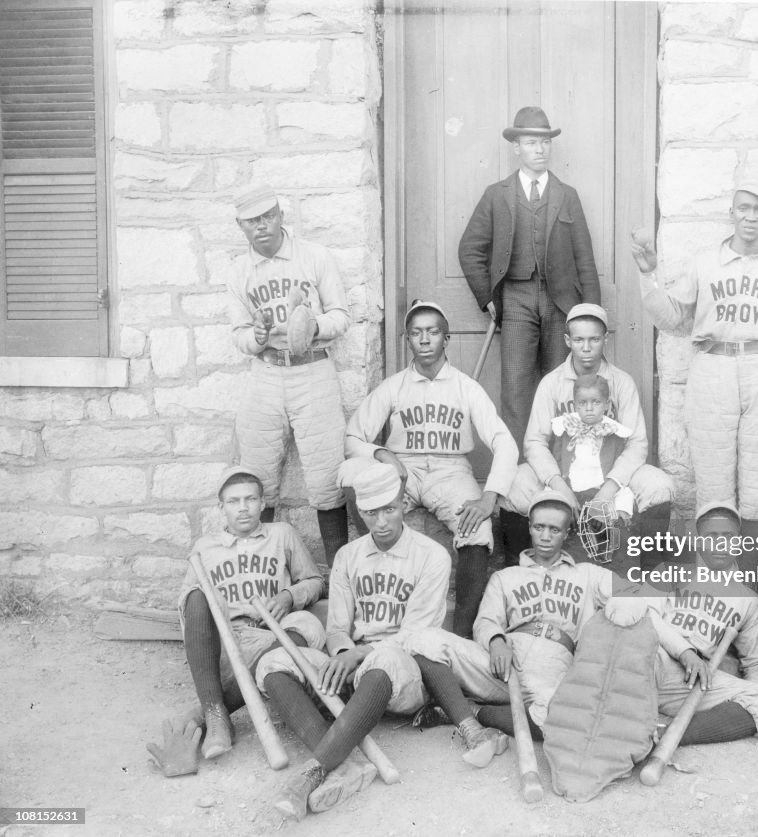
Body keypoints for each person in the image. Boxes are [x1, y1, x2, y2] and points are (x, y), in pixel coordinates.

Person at [258, 461, 451, 819]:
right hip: (354, 670)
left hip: (403, 675)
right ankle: (346, 765)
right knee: (274, 663)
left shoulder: (432, 556)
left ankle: (311, 773)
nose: (381, 522)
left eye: (390, 509)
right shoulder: (348, 556)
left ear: (404, 504)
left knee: (386, 659)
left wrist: (360, 655)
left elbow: (414, 636)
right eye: (371, 512)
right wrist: (344, 654)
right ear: (360, 510)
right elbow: (336, 629)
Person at [631, 182, 758, 557]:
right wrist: (648, 276)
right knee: (713, 481)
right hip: (713, 368)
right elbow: (674, 318)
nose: (751, 217)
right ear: (731, 212)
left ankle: (752, 578)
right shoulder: (705, 261)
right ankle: (715, 577)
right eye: (744, 208)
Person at [345, 300, 518, 637]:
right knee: (355, 478)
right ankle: (377, 610)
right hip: (402, 466)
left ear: (446, 339)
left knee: (478, 529)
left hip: (450, 469)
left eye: (433, 332)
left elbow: (505, 442)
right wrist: (382, 454)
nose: (424, 340)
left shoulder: (466, 387)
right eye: (416, 333)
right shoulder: (393, 386)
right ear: (408, 340)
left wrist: (488, 498)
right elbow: (353, 437)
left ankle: (464, 633)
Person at [406, 489, 615, 758]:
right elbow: (485, 621)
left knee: (564, 721)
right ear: (529, 528)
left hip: (552, 667)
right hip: (501, 664)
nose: (546, 536)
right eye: (539, 527)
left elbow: (639, 595)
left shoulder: (588, 575)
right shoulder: (506, 577)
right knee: (424, 640)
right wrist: (495, 640)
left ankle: (473, 711)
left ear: (567, 533)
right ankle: (469, 725)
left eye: (554, 529)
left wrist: (682, 646)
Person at [149, 466, 325, 777]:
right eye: (233, 501)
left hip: (272, 638)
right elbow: (187, 608)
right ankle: (215, 713)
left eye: (250, 499)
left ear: (262, 503)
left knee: (309, 624)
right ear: (221, 507)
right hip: (225, 643)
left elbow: (314, 581)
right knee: (197, 595)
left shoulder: (281, 534)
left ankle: (211, 714)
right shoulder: (205, 546)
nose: (242, 508)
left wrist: (288, 596)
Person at [459, 106, 600, 451]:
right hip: (516, 300)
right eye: (531, 142)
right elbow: (469, 249)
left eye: (545, 142)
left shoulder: (567, 195)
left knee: (561, 389)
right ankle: (518, 478)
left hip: (560, 302)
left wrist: (592, 316)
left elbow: (585, 259)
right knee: (517, 389)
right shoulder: (497, 195)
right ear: (516, 148)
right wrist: (488, 298)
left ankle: (559, 474)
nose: (539, 149)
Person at [226, 183, 351, 571]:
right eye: (252, 222)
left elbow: (341, 316)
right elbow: (239, 334)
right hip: (266, 372)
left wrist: (312, 325)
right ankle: (261, 571)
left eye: (268, 217)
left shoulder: (314, 257)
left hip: (312, 369)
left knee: (327, 478)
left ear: (281, 216)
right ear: (240, 226)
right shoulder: (239, 271)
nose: (261, 227)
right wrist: (256, 336)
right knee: (258, 476)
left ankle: (337, 574)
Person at [500, 303, 674, 566]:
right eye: (579, 339)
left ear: (605, 339)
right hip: (563, 474)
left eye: (594, 339)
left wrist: (609, 488)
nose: (586, 347)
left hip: (611, 474)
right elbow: (535, 442)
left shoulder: (621, 382)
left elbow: (637, 443)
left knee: (659, 485)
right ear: (567, 340)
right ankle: (519, 568)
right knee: (513, 484)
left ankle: (651, 569)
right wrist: (558, 485)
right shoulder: (553, 382)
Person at [641, 503, 758, 743]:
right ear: (697, 539)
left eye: (728, 536)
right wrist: (685, 652)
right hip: (654, 657)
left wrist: (750, 695)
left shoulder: (747, 600)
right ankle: (629, 724)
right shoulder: (669, 571)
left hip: (693, 680)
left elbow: (756, 663)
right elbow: (643, 614)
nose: (720, 544)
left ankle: (667, 736)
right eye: (711, 536)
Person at [550, 373, 635, 517]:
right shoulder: (567, 427)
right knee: (550, 498)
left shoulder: (613, 431)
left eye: (596, 402)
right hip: (571, 484)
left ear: (606, 404)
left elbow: (618, 464)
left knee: (624, 496)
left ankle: (613, 526)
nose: (589, 408)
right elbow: (557, 457)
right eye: (582, 403)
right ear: (575, 404)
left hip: (600, 486)